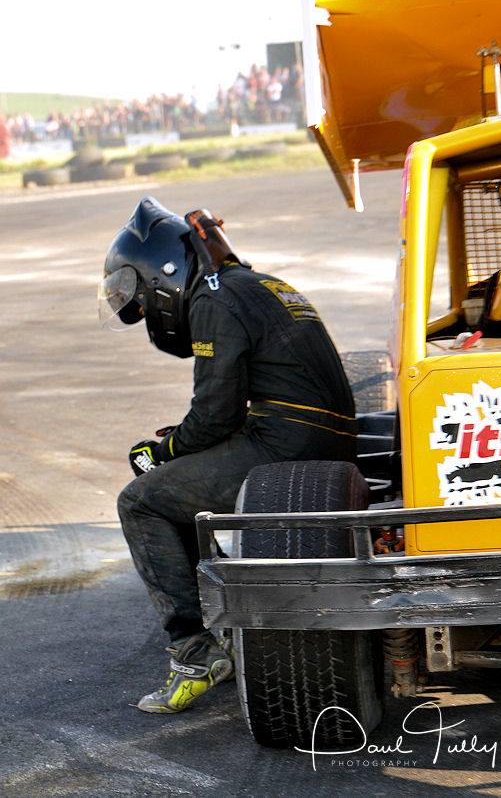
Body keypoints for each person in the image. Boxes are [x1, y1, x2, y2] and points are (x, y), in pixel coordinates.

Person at [99, 196, 357, 713]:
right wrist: (180, 443)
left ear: (163, 275)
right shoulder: (259, 284)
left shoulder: (212, 301)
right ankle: (223, 627)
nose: (148, 310)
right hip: (320, 437)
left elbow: (214, 412)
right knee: (177, 474)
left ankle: (194, 653)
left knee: (141, 500)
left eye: (145, 299)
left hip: (284, 443)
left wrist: (162, 448)